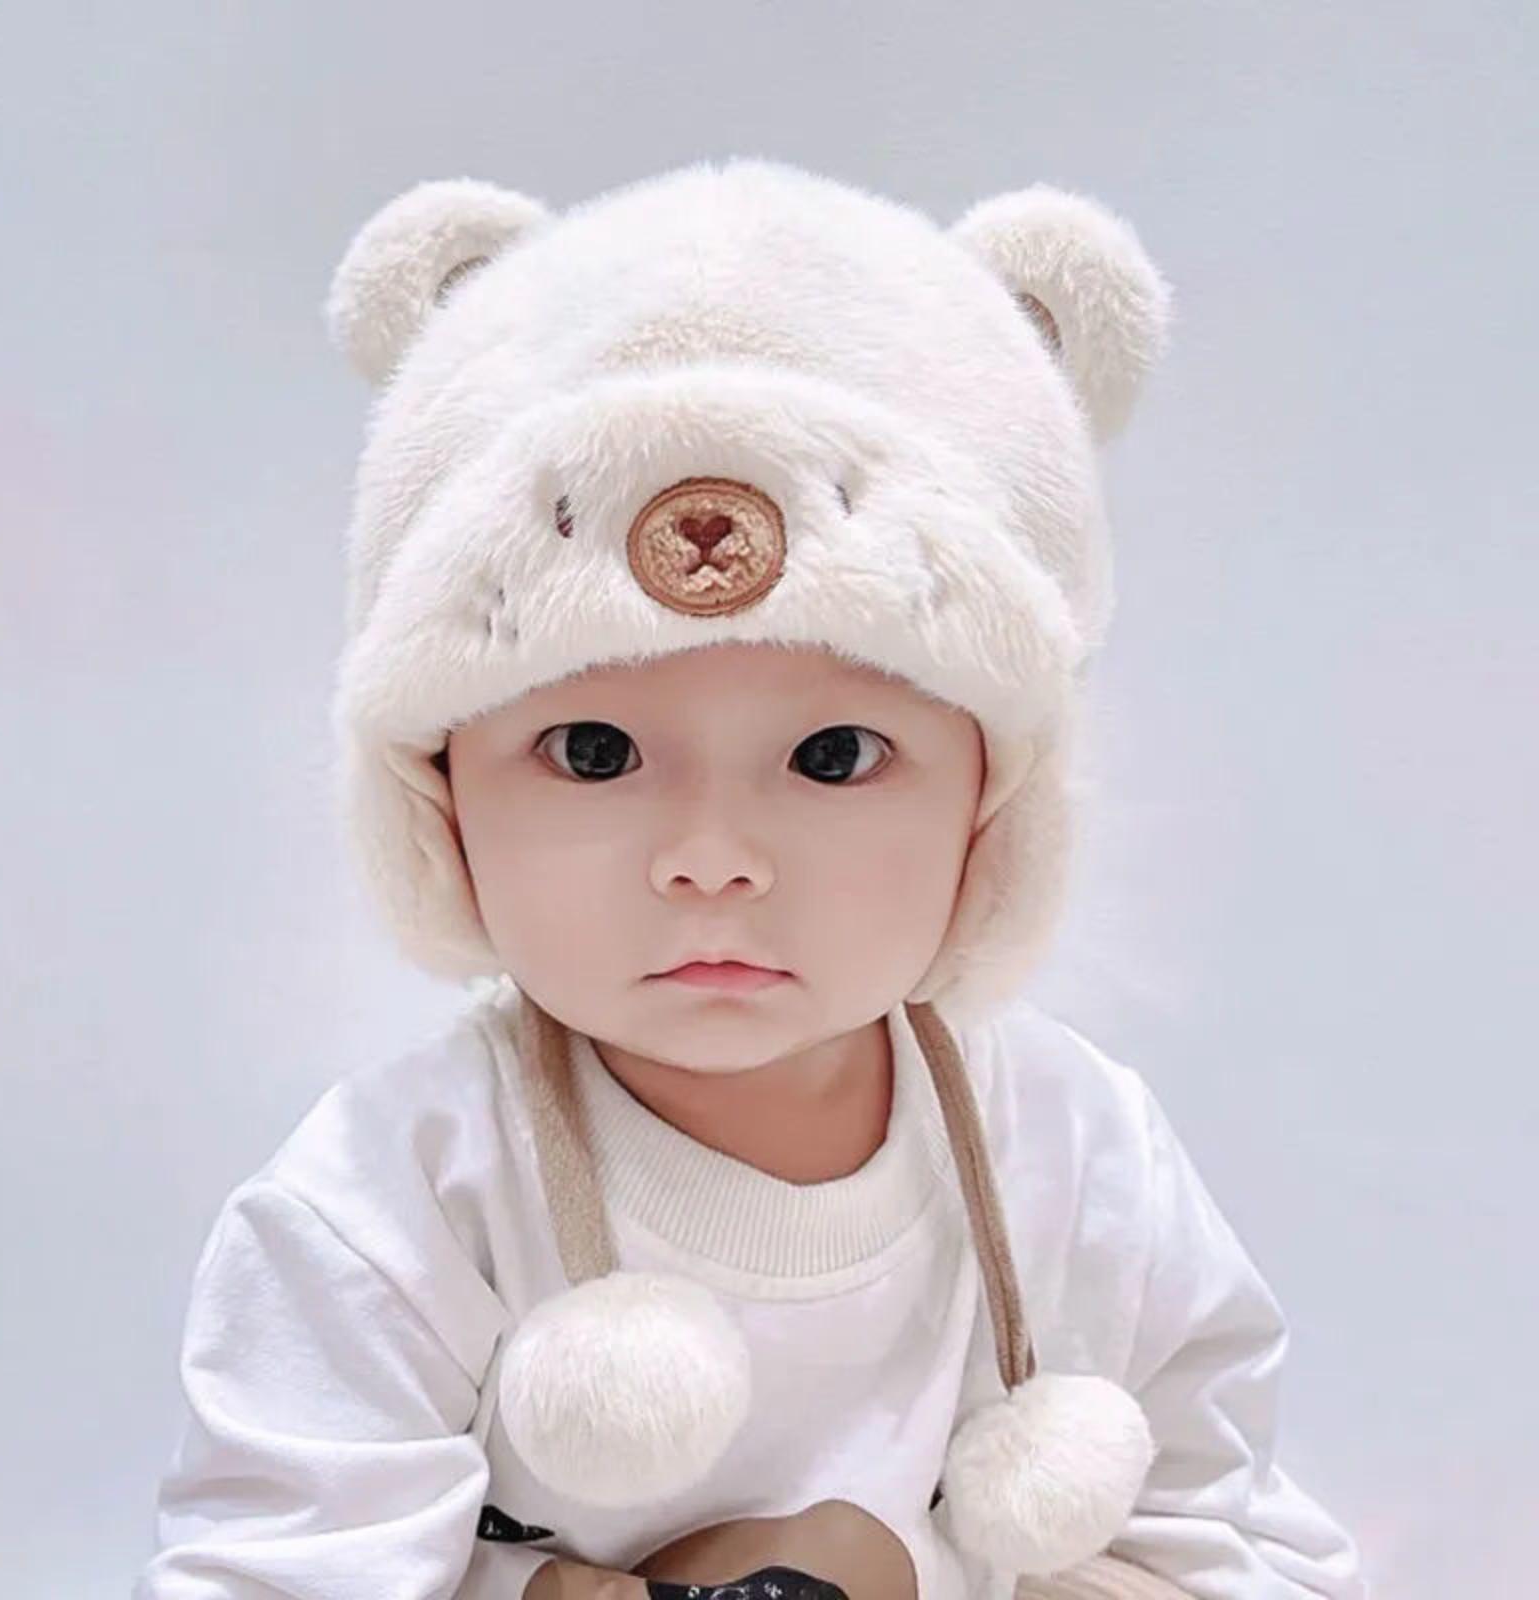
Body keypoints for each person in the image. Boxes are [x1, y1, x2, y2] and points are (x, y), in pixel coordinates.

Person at [133, 158, 1368, 1600]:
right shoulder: (395, 1203)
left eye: (835, 756)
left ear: (995, 807)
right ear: (437, 799)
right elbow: (273, 1570)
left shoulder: (1077, 1154)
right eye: (592, 751)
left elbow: (1229, 1537)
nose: (712, 858)